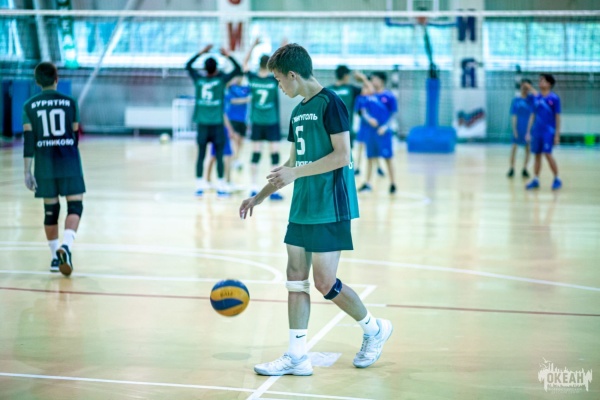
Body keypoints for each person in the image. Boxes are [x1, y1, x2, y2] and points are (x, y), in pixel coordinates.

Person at [239, 44, 393, 376]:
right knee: (295, 278)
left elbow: (342, 155)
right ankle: (297, 356)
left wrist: (295, 173)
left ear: (293, 75)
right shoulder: (297, 112)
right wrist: (259, 196)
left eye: (279, 80)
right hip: (302, 205)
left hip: (330, 204)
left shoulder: (331, 103)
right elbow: (292, 164)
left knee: (325, 282)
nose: (279, 86)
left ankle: (374, 329)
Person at [22, 62, 85, 276]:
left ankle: (54, 258)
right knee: (75, 206)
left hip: (45, 164)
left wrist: (27, 171)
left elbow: (29, 141)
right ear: (56, 79)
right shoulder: (70, 103)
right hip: (68, 161)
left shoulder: (29, 106)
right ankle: (65, 247)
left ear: (37, 81)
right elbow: (75, 135)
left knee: (51, 212)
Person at [186, 44, 241, 196]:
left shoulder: (199, 79)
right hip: (217, 124)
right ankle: (221, 185)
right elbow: (238, 69)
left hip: (202, 124)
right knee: (219, 155)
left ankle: (199, 185)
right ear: (216, 68)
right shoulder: (221, 79)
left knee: (201, 154)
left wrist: (201, 52)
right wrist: (228, 55)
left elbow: (188, 66)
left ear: (205, 68)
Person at [243, 38, 284, 200]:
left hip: (257, 122)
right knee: (274, 156)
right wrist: (282, 46)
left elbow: (244, 64)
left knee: (256, 154)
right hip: (271, 122)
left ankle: (253, 186)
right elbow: (282, 63)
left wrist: (253, 45)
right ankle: (274, 190)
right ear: (269, 66)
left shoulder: (253, 78)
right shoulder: (274, 78)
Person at [327, 65, 373, 175]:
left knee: (331, 153)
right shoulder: (351, 89)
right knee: (346, 154)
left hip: (329, 128)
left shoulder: (328, 90)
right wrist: (363, 78)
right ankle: (345, 175)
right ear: (346, 76)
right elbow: (371, 91)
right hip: (345, 128)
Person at [358, 72, 398, 194]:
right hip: (371, 132)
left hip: (384, 133)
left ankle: (393, 183)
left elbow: (393, 114)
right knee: (370, 157)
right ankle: (367, 183)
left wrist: (385, 127)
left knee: (387, 158)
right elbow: (364, 112)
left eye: (375, 79)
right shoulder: (369, 96)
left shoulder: (389, 96)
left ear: (381, 81)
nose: (373, 82)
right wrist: (369, 119)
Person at [523, 74, 562, 190]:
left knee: (548, 154)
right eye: (539, 81)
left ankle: (556, 178)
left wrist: (557, 135)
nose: (540, 83)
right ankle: (536, 179)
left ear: (549, 84)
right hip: (537, 131)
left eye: (543, 81)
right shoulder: (536, 98)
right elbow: (532, 115)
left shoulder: (554, 98)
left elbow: (558, 117)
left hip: (548, 132)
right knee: (537, 155)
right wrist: (528, 132)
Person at [507, 79, 534, 178]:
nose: (525, 89)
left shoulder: (531, 100)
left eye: (527, 87)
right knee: (514, 148)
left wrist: (529, 130)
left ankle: (525, 169)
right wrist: (514, 129)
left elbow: (532, 115)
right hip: (518, 127)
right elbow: (514, 115)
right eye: (523, 86)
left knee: (528, 149)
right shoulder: (516, 100)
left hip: (528, 128)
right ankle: (511, 168)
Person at [225, 75, 251, 170]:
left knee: (240, 141)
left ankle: (236, 158)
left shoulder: (246, 88)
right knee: (235, 139)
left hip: (243, 119)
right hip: (233, 118)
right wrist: (246, 100)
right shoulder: (232, 88)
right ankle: (233, 160)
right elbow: (232, 100)